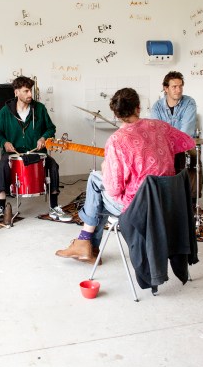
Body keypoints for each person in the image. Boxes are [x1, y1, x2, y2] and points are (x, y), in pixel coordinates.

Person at [55, 88, 195, 264]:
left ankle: (85, 242)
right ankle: (88, 246)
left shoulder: (117, 140)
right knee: (97, 191)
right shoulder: (160, 126)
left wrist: (106, 168)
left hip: (139, 207)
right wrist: (160, 149)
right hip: (167, 202)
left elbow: (114, 190)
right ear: (138, 107)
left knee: (95, 183)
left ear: (116, 114)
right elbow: (188, 142)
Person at [0, 76, 71, 223]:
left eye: (30, 90)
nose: (30, 94)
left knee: (53, 165)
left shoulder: (40, 109)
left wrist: (44, 138)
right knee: (2, 166)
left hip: (36, 152)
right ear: (16, 92)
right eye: (26, 91)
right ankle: (0, 207)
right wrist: (4, 143)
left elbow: (51, 128)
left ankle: (54, 207)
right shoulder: (5, 112)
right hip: (13, 153)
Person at [150, 70, 199, 189]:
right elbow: (157, 131)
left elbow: (185, 132)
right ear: (166, 88)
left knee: (191, 158)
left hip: (185, 145)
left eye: (180, 86)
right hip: (164, 146)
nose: (179, 90)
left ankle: (190, 196)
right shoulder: (157, 107)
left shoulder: (189, 103)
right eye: (174, 87)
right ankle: (165, 190)